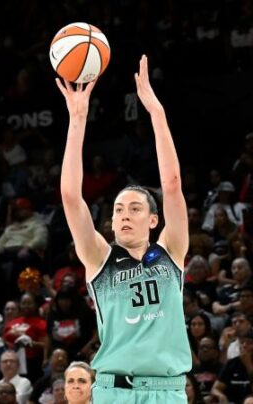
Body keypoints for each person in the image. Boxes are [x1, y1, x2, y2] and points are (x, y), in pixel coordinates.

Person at [57, 55, 191, 402]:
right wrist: (78, 118)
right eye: (118, 210)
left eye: (135, 208)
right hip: (112, 391)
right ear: (112, 222)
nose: (125, 215)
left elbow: (173, 184)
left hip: (168, 391)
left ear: (153, 220)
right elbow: (71, 197)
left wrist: (157, 114)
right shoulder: (99, 257)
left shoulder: (171, 250)